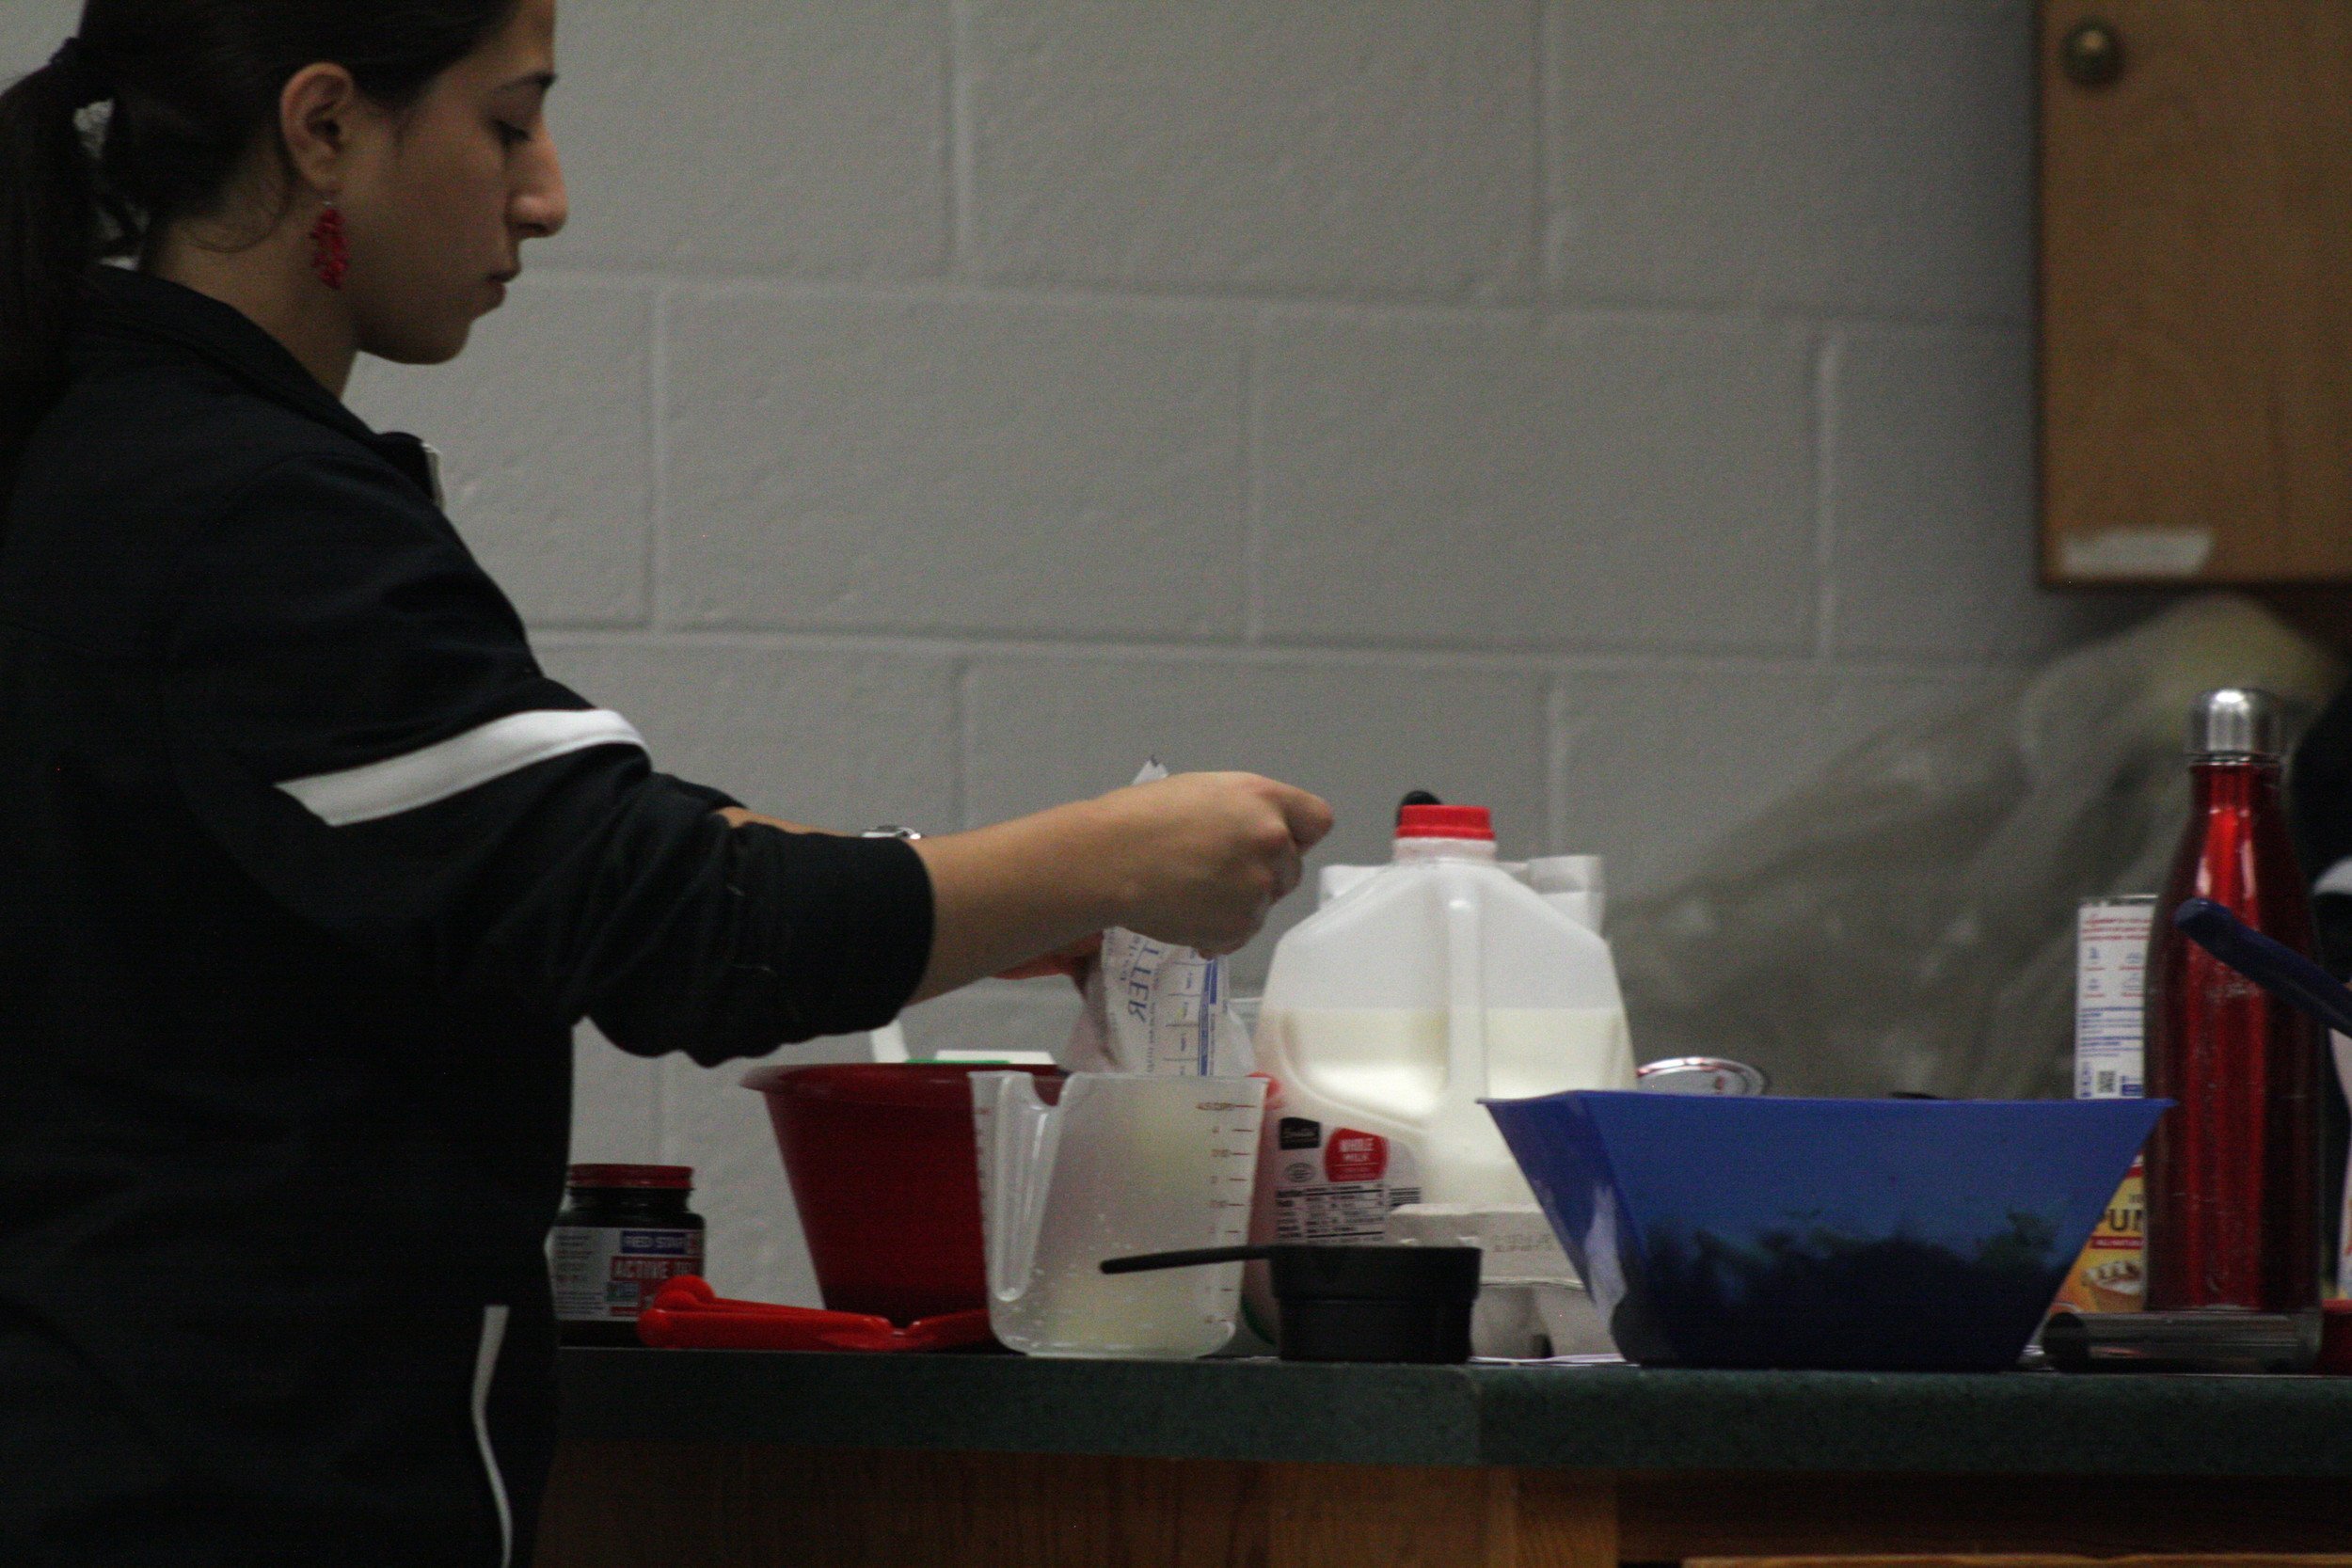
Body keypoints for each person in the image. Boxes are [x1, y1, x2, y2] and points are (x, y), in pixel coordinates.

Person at [0, 2, 1333, 1561]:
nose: (545, 190)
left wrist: (967, 894)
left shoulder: (97, 450)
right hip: (205, 1493)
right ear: (322, 127)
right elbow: (668, 921)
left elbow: (557, 836)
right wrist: (1108, 861)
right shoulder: (235, 511)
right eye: (508, 123)